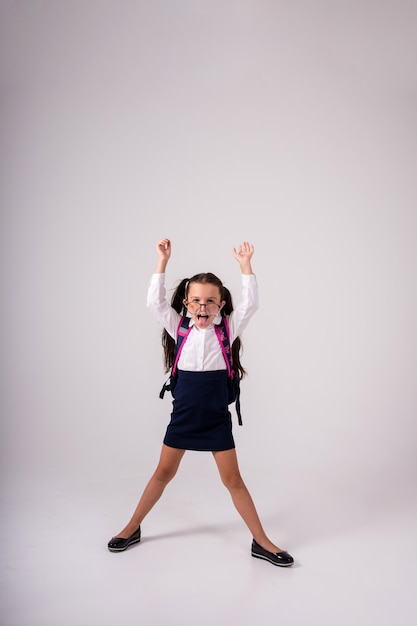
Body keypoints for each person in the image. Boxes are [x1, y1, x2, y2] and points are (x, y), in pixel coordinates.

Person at [107, 238, 294, 567]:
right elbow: (154, 303)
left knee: (233, 481)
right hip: (183, 418)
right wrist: (162, 262)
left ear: (221, 304)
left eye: (210, 301)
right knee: (162, 473)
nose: (203, 307)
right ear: (185, 303)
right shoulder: (178, 327)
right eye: (196, 301)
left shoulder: (227, 330)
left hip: (215, 420)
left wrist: (246, 268)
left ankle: (261, 541)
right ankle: (131, 527)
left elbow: (250, 306)